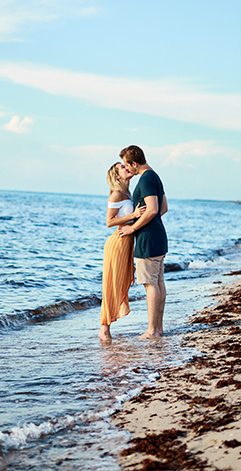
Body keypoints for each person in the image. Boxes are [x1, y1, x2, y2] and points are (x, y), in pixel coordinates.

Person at [117, 145, 168, 339]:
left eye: (126, 164)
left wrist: (133, 227)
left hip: (148, 239)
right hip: (157, 235)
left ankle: (153, 330)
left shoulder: (146, 179)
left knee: (150, 284)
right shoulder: (155, 176)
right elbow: (163, 208)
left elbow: (154, 209)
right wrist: (149, 220)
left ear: (134, 163)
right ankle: (158, 328)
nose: (127, 168)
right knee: (158, 282)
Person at [99, 162, 145, 341]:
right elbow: (109, 222)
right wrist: (133, 216)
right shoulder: (117, 194)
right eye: (123, 168)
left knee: (121, 282)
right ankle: (104, 328)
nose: (127, 168)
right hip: (117, 244)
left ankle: (106, 326)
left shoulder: (128, 193)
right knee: (112, 284)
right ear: (117, 176)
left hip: (127, 244)